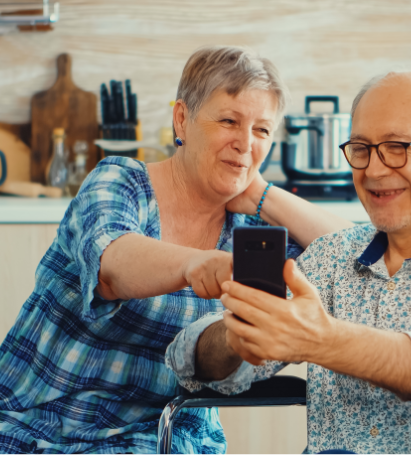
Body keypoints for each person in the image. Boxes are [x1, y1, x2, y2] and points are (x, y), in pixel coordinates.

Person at [166, 69, 411, 454]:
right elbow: (187, 358)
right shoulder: (331, 258)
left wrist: (323, 341)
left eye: (397, 146)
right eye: (362, 149)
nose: (374, 169)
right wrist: (237, 335)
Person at [0, 46, 352, 455]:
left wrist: (261, 192)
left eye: (261, 131)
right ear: (182, 118)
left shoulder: (254, 231)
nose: (244, 143)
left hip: (161, 436)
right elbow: (112, 265)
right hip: (35, 422)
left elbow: (355, 257)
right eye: (228, 121)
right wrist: (194, 263)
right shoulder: (120, 181)